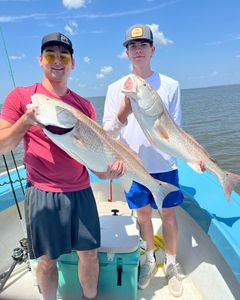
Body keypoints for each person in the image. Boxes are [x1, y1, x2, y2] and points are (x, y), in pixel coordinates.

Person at [0, 32, 124, 300]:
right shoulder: (21, 97)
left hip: (81, 191)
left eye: (64, 55)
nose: (57, 61)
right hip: (42, 193)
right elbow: (2, 145)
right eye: (50, 55)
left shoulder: (84, 106)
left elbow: (92, 161)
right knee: (46, 260)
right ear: (40, 60)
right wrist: (26, 121)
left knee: (89, 254)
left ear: (72, 63)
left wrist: (107, 171)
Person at [103, 24, 185, 297]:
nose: (137, 50)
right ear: (126, 53)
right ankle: (149, 259)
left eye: (142, 45)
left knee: (169, 216)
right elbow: (108, 133)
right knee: (143, 216)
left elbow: (175, 130)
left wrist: (192, 156)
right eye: (132, 46)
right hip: (133, 166)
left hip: (164, 165)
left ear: (153, 49)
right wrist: (124, 112)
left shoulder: (171, 85)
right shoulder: (115, 88)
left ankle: (171, 264)